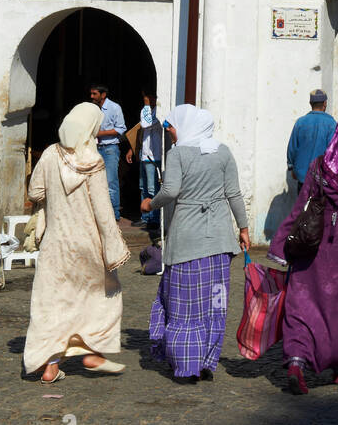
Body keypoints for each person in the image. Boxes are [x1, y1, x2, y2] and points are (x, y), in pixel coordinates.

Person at [268, 114, 338, 394]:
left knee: (302, 307)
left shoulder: (318, 166)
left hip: (311, 253)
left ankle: (297, 363)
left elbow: (300, 210)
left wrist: (280, 244)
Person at [23, 102, 129, 382]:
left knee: (54, 303)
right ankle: (92, 352)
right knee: (101, 298)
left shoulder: (50, 154)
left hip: (56, 244)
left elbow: (35, 192)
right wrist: (114, 247)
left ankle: (51, 365)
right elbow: (103, 211)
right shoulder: (94, 161)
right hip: (87, 244)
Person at [143, 104, 249, 383]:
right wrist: (244, 228)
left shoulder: (178, 154)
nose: (171, 133)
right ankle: (205, 362)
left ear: (185, 125)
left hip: (187, 243)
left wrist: (150, 204)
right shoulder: (223, 152)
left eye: (172, 127)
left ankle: (186, 363)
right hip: (219, 243)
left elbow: (171, 191)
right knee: (214, 304)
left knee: (183, 303)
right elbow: (234, 194)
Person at [125, 88, 164, 232]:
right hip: (144, 155)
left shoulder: (159, 111)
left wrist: (147, 105)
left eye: (146, 97)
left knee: (153, 189)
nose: (145, 100)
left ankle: (154, 218)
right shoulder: (145, 111)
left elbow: (146, 124)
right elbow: (142, 129)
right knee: (144, 188)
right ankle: (146, 217)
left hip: (154, 156)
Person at [89, 83, 126, 221]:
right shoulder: (92, 108)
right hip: (95, 148)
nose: (91, 96)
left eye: (94, 94)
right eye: (91, 93)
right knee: (95, 182)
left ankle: (114, 214)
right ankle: (99, 214)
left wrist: (100, 133)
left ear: (103, 95)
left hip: (110, 149)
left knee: (111, 182)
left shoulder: (114, 108)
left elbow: (121, 129)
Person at [287, 90, 337, 186]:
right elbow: (334, 152)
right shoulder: (331, 124)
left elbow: (292, 148)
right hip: (322, 178)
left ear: (310, 103)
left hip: (302, 177)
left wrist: (291, 167)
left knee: (303, 196)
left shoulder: (300, 122)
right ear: (325, 103)